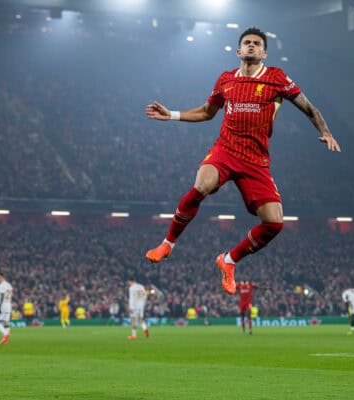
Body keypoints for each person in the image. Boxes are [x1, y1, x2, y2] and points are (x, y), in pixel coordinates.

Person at [145, 27, 341, 295]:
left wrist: (326, 131)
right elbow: (206, 112)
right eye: (246, 42)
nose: (251, 46)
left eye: (256, 43)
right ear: (238, 51)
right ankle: (168, 243)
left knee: (274, 223)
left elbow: (309, 108)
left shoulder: (276, 78)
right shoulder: (226, 80)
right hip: (225, 150)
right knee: (201, 185)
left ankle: (228, 260)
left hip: (256, 161)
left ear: (264, 53)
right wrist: (173, 115)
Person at [0, 272, 13, 345]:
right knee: (6, 322)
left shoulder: (2, 285)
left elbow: (2, 296)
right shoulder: (9, 285)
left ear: (0, 277)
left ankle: (5, 334)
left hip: (3, 305)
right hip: (9, 304)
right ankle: (6, 340)